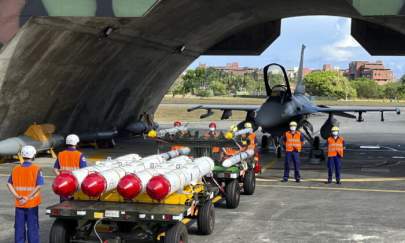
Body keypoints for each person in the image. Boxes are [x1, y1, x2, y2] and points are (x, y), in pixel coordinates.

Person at [7, 145, 44, 243]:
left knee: (19, 229)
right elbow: (39, 185)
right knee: (32, 228)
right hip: (32, 204)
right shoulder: (36, 169)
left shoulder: (15, 169)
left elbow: (9, 183)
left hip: (19, 204)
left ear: (22, 156)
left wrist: (17, 196)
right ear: (33, 156)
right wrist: (28, 197)